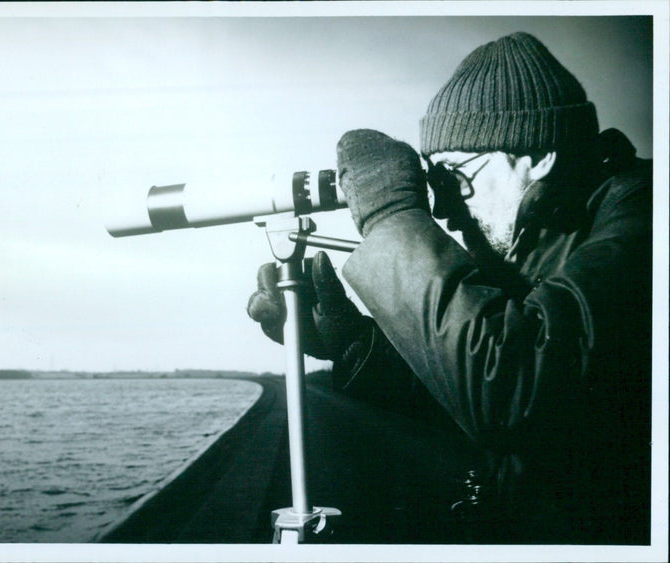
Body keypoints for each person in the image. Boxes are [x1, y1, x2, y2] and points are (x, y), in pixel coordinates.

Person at [247, 32, 651, 544]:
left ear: (538, 156)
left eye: (457, 176)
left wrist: (392, 215)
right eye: (436, 182)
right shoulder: (537, 244)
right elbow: (468, 400)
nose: (444, 208)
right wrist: (356, 345)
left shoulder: (645, 220)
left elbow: (513, 392)